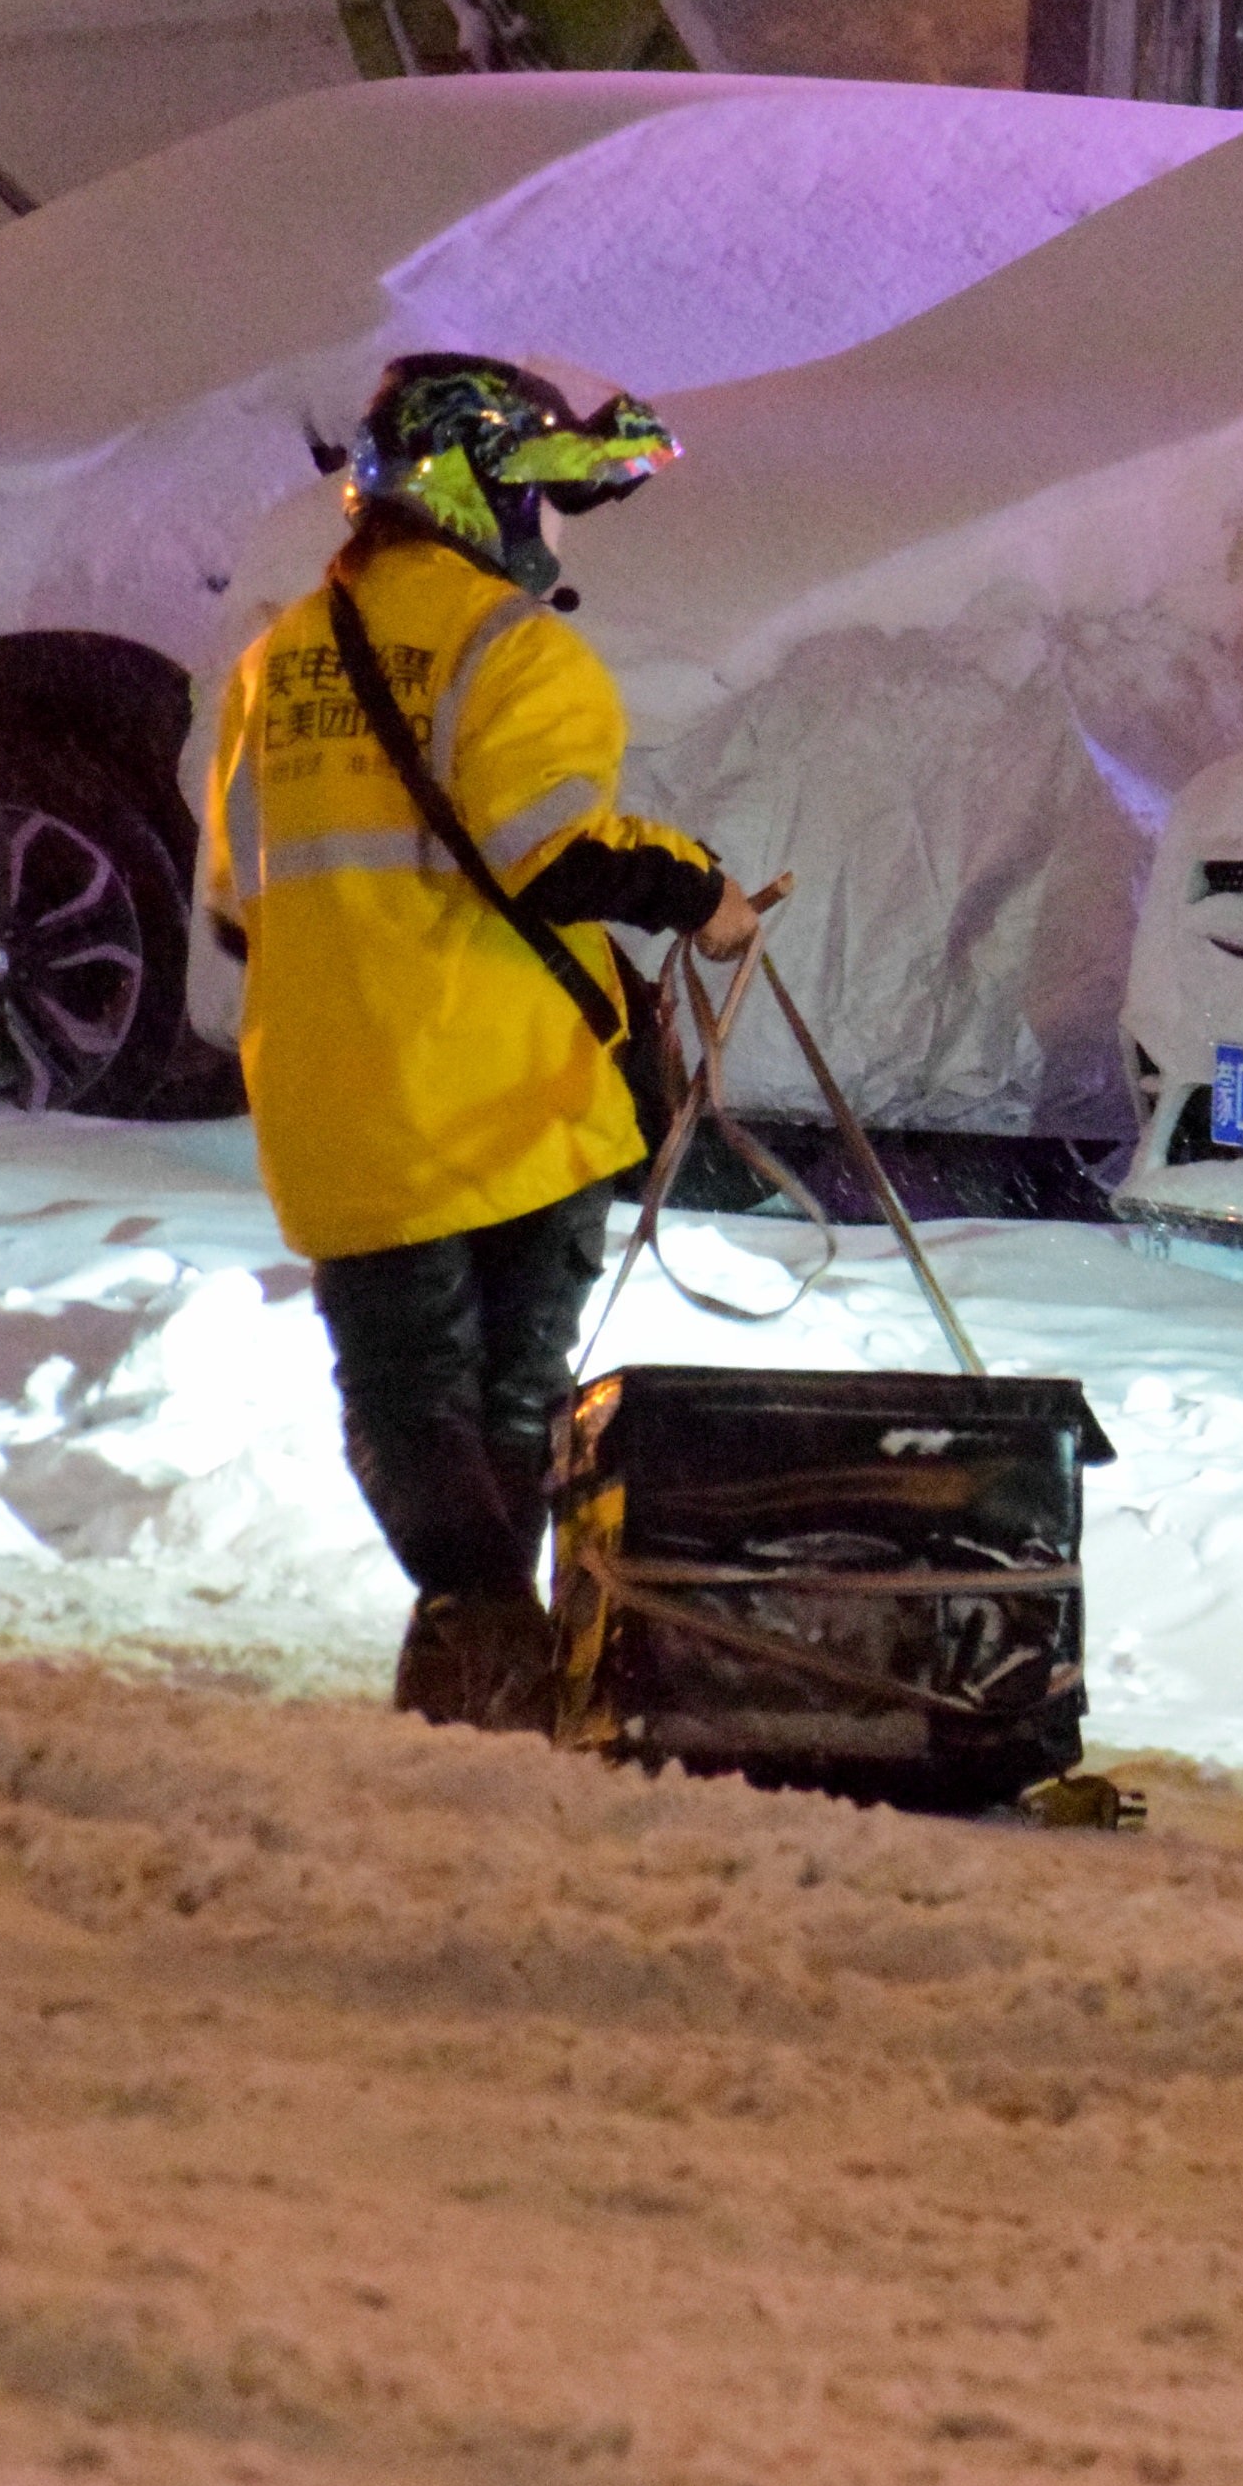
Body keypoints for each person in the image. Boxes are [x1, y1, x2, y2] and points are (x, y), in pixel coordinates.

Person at [203, 355, 759, 1730]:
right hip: (515, 1103)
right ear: (489, 497)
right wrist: (701, 893)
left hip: (341, 1102)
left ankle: (469, 1642)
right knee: (516, 1396)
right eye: (550, 503)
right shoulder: (516, 652)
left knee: (405, 1395)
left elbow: (235, 901)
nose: (556, 538)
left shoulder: (278, 661)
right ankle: (499, 1644)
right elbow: (551, 854)